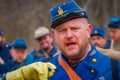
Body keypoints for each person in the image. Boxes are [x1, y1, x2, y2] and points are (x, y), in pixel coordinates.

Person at [3, 0, 120, 80]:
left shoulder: (115, 67)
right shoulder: (41, 69)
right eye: (61, 30)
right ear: (54, 35)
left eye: (74, 28)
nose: (69, 35)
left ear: (88, 30)